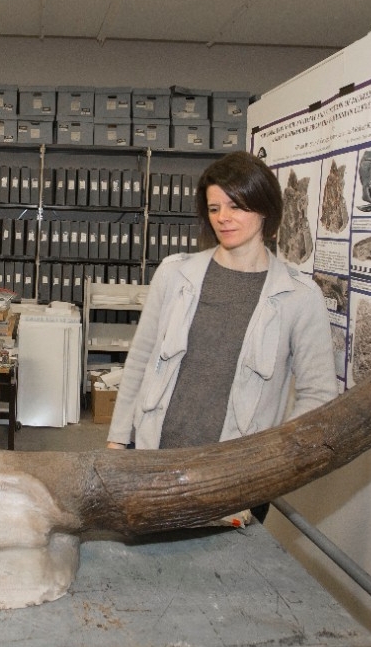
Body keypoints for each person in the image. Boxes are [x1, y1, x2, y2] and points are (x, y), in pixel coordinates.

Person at [105, 151, 338, 519]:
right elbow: (140, 360)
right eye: (214, 209)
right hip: (154, 457)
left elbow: (318, 395)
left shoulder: (299, 297)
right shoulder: (175, 274)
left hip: (238, 477)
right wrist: (118, 442)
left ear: (264, 209)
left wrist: (272, 463)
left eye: (236, 206)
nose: (223, 218)